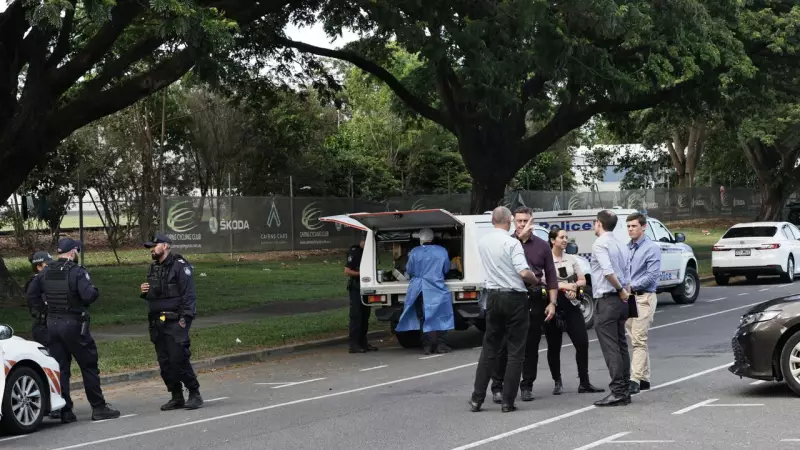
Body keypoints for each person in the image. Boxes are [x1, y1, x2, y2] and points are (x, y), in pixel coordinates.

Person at [26, 238, 120, 422]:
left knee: (61, 368)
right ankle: (99, 408)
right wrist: (95, 291)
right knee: (88, 365)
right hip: (74, 324)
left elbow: (31, 294)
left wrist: (46, 311)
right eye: (76, 251)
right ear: (72, 252)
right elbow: (88, 296)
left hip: (52, 325)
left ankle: (65, 411)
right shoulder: (76, 272)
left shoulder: (45, 272)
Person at [468, 207, 545, 413]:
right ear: (510, 220)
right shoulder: (512, 243)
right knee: (516, 350)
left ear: (492, 220)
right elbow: (523, 272)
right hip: (515, 297)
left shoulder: (483, 241)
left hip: (493, 295)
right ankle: (508, 401)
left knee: (490, 348)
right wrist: (536, 279)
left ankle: (477, 398)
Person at [490, 206, 557, 403]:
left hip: (534, 298)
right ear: (513, 221)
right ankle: (498, 386)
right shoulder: (507, 242)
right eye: (518, 221)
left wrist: (552, 303)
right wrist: (519, 239)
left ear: (531, 222)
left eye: (525, 221)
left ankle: (527, 385)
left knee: (531, 344)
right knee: (503, 344)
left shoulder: (543, 246)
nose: (522, 224)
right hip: (510, 297)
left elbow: (551, 276)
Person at [140, 233, 203, 411]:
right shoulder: (153, 268)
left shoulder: (180, 266)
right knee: (165, 363)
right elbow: (156, 294)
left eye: (155, 245)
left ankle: (194, 392)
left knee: (179, 359)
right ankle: (176, 396)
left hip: (175, 321)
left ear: (166, 246)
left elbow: (189, 297)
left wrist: (184, 320)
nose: (152, 249)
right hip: (157, 322)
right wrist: (145, 291)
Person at [543, 227, 604, 395]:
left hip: (572, 303)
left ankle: (584, 382)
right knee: (554, 346)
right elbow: (544, 281)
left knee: (582, 343)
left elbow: (583, 279)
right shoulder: (546, 259)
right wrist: (563, 286)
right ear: (552, 240)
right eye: (561, 237)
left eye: (566, 237)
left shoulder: (571, 259)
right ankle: (557, 381)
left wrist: (575, 286)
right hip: (554, 304)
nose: (565, 240)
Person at [590, 210, 633, 407]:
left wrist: (619, 289)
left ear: (599, 223)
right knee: (621, 344)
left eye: (594, 222)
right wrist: (625, 291)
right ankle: (624, 389)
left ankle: (618, 391)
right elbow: (627, 271)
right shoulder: (620, 244)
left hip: (608, 299)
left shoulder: (600, 244)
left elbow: (608, 271)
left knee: (611, 347)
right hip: (621, 299)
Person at [396, 228, 454, 354]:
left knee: (423, 317)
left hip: (419, 288)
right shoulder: (442, 251)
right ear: (433, 238)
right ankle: (440, 344)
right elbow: (446, 268)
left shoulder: (414, 252)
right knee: (441, 315)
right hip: (437, 287)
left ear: (420, 239)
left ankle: (427, 345)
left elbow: (409, 270)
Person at [625, 213, 661, 394]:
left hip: (644, 297)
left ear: (643, 227)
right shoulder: (627, 248)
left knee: (638, 339)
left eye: (634, 226)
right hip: (629, 298)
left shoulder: (651, 248)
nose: (631, 229)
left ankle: (634, 379)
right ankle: (645, 378)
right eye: (628, 226)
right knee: (635, 338)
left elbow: (652, 276)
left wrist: (631, 285)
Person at [345, 231, 377, 353]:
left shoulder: (369, 252)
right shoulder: (355, 252)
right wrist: (361, 274)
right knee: (356, 316)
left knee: (365, 316)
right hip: (356, 287)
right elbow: (347, 271)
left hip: (367, 287)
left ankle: (363, 342)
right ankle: (353, 344)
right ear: (362, 241)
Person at [26, 251, 53, 346]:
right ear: (39, 267)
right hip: (42, 326)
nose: (51, 268)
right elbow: (34, 300)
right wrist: (45, 310)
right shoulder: (35, 283)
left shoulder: (49, 280)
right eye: (47, 265)